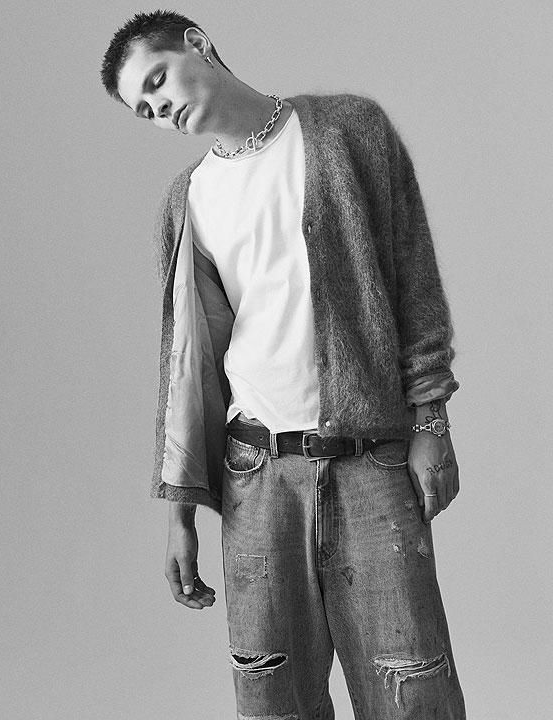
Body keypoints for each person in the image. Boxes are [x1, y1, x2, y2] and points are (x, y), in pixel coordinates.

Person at [101, 10, 467, 719]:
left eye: (157, 81)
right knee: (274, 701)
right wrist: (179, 512)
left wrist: (432, 421)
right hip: (257, 478)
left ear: (197, 45)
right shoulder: (187, 201)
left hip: (371, 462)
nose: (159, 109)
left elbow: (413, 279)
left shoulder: (348, 130)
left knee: (413, 692)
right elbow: (186, 364)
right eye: (143, 109)